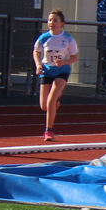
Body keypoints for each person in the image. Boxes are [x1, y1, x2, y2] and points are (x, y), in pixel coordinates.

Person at [34, 10, 79, 141]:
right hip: (47, 70)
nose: (51, 23)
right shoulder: (44, 38)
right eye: (49, 20)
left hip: (62, 71)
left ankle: (48, 131)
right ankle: (57, 98)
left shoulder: (68, 39)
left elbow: (74, 57)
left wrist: (63, 62)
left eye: (55, 20)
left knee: (51, 101)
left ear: (62, 23)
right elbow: (36, 51)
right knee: (44, 106)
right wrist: (38, 64)